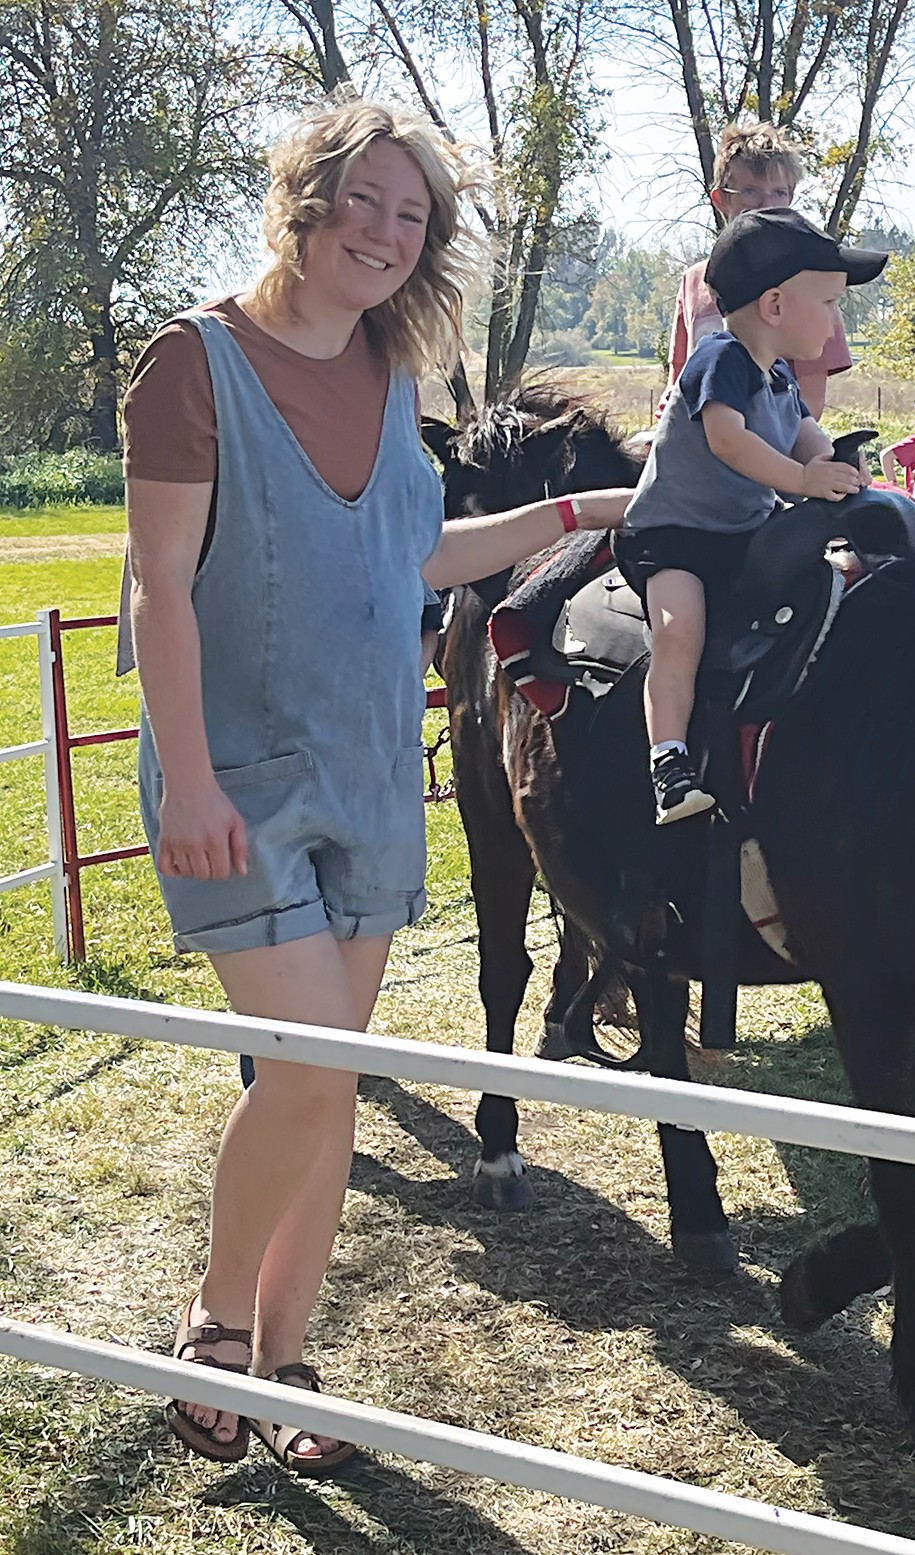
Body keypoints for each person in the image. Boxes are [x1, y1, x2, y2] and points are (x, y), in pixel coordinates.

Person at [123, 98, 632, 1474]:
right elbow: (156, 581)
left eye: (413, 219)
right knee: (310, 1068)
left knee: (331, 1090)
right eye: (368, 203)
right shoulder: (193, 361)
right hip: (233, 785)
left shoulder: (390, 376)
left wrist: (580, 513)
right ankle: (216, 1323)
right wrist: (184, 779)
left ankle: (291, 1370)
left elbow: (416, 552)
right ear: (306, 196)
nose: (388, 235)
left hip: (366, 776)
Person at [615, 208, 885, 823]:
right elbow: (728, 441)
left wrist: (836, 467)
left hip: (742, 533)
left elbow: (803, 434)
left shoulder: (781, 376)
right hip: (675, 536)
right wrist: (802, 480)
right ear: (774, 305)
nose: (836, 319)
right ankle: (670, 761)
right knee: (680, 629)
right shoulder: (721, 360)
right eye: (829, 301)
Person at [664, 122, 854, 422]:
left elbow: (809, 403)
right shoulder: (693, 281)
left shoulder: (811, 285)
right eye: (751, 191)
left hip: (774, 451)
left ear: (790, 200)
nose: (766, 205)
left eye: (779, 192)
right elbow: (678, 383)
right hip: (697, 452)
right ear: (721, 199)